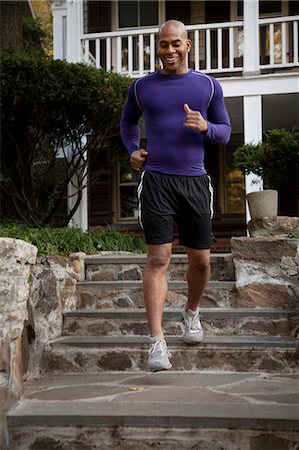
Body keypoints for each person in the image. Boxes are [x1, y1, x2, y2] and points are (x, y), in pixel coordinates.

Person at [120, 20, 231, 372]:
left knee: (201, 261)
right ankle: (156, 342)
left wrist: (205, 127)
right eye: (164, 45)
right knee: (158, 258)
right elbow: (127, 123)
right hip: (156, 181)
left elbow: (225, 132)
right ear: (157, 47)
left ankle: (191, 314)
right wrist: (132, 149)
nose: (170, 51)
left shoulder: (208, 86)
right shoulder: (141, 88)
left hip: (195, 181)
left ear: (188, 45)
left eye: (176, 44)